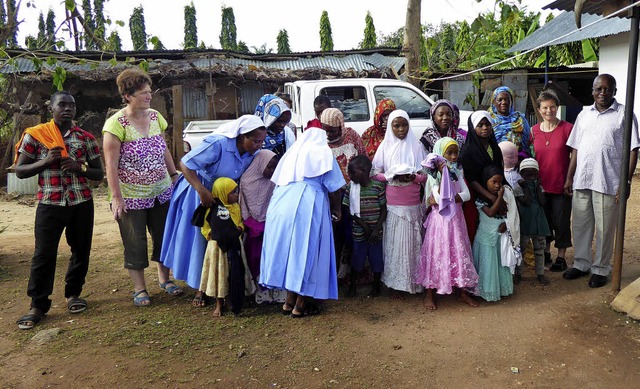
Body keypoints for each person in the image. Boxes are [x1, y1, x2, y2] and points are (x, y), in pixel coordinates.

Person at [14, 91, 104, 330]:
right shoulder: (37, 136)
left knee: (81, 249)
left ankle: (74, 294)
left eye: (72, 105)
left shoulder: (85, 138)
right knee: (44, 254)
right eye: (62, 105)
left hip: (81, 202)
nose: (67, 109)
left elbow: (99, 173)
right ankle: (38, 305)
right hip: (50, 204)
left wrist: (79, 167)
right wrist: (44, 161)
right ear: (51, 108)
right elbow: (20, 170)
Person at [160, 115, 266, 307]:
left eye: (262, 141)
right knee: (199, 240)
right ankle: (200, 289)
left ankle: (218, 286)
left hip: (223, 198)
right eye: (256, 140)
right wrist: (202, 191)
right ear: (242, 137)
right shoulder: (219, 143)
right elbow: (185, 164)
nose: (259, 145)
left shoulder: (251, 154)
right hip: (198, 192)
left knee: (217, 242)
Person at [102, 68, 182, 307]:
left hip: (161, 192)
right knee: (135, 241)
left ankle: (164, 279)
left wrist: (174, 175)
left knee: (163, 236)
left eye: (149, 92)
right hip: (131, 196)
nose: (149, 96)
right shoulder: (115, 125)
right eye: (143, 93)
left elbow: (163, 148)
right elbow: (111, 165)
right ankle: (140, 288)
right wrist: (117, 198)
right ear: (128, 96)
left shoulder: (156, 117)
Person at [563, 74, 640, 288]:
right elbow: (576, 147)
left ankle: (600, 269)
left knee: (605, 228)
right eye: (599, 89)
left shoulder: (624, 114)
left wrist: (626, 182)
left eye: (607, 89)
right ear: (592, 91)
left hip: (608, 180)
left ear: (614, 91)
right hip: (582, 179)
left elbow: (634, 149)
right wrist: (570, 177)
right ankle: (581, 264)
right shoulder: (584, 114)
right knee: (580, 224)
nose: (603, 93)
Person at [260, 127, 345, 317]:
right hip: (309, 202)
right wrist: (337, 209)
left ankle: (288, 302)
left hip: (281, 203)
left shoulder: (291, 154)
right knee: (308, 252)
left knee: (291, 254)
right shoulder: (323, 152)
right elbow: (334, 187)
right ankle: (300, 304)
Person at [416, 137, 479, 310]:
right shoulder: (433, 175)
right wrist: (447, 193)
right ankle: (429, 293)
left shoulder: (458, 173)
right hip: (440, 223)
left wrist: (448, 198)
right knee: (436, 253)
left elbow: (466, 195)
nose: (452, 157)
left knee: (458, 251)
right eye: (448, 153)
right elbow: (435, 198)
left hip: (456, 221)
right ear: (439, 155)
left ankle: (463, 292)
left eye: (455, 153)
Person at [371, 109, 427, 298]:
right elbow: (375, 173)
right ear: (390, 127)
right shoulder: (385, 146)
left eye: (404, 125)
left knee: (412, 242)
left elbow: (425, 176)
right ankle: (395, 284)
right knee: (395, 242)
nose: (401, 129)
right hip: (393, 203)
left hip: (412, 203)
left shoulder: (416, 146)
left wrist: (414, 177)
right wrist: (389, 176)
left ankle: (413, 281)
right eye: (396, 125)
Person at [531, 90, 573, 272]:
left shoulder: (567, 129)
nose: (549, 111)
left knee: (561, 221)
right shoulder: (533, 132)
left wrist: (570, 179)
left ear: (557, 108)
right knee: (544, 222)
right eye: (545, 108)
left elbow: (576, 155)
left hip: (562, 185)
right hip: (540, 186)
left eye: (552, 107)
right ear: (539, 110)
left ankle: (561, 257)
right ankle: (546, 253)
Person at [238, 150, 283, 304]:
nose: (272, 171)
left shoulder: (276, 181)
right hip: (253, 227)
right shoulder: (246, 182)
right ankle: (260, 291)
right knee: (255, 257)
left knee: (275, 256)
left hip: (272, 224)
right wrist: (254, 224)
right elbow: (243, 208)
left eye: (275, 168)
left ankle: (277, 290)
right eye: (269, 167)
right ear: (260, 163)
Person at [342, 155, 387, 297]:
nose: (349, 176)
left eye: (352, 172)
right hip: (359, 232)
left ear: (363, 170)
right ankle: (352, 286)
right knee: (357, 258)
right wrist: (365, 227)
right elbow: (349, 211)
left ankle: (376, 286)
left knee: (376, 259)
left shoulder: (378, 187)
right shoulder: (351, 188)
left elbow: (384, 209)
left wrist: (376, 228)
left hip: (376, 232)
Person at [199, 177, 244, 317]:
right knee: (219, 275)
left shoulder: (235, 208)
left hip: (233, 246)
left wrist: (240, 228)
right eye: (232, 192)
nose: (236, 195)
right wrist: (210, 234)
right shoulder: (213, 209)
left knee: (231, 274)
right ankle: (219, 303)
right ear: (223, 193)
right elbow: (204, 227)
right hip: (216, 249)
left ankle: (230, 298)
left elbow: (240, 222)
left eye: (236, 191)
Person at [459, 111, 505, 245]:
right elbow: (471, 179)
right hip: (477, 197)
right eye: (480, 125)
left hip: (495, 190)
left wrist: (500, 195)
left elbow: (500, 171)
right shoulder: (468, 151)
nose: (485, 128)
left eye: (487, 124)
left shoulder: (495, 148)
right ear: (473, 128)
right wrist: (491, 197)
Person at [473, 165, 518, 302]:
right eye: (494, 182)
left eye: (500, 182)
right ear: (485, 181)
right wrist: (498, 198)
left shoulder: (505, 196)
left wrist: (506, 223)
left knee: (499, 264)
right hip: (486, 239)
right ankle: (487, 291)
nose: (498, 185)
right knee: (488, 266)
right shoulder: (480, 199)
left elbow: (509, 214)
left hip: (499, 239)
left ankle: (501, 289)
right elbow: (491, 212)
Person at [515, 158, 551, 286]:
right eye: (527, 175)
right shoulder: (518, 187)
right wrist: (526, 188)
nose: (530, 178)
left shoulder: (539, 187)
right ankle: (518, 274)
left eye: (533, 175)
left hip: (539, 222)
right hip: (525, 222)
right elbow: (526, 201)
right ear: (521, 174)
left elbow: (542, 202)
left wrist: (537, 188)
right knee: (522, 249)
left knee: (539, 249)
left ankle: (540, 274)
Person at [488, 86, 532, 159]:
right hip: (495, 161)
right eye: (500, 100)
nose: (504, 102)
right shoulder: (489, 120)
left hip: (518, 160)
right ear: (494, 102)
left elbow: (527, 142)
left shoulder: (520, 119)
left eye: (506, 99)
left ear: (511, 101)